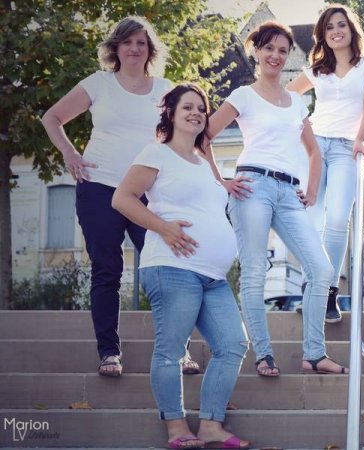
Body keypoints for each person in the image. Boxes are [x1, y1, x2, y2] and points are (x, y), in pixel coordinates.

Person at [41, 16, 199, 377]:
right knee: (107, 271)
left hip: (148, 193)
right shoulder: (98, 84)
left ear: (149, 50)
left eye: (141, 43)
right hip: (99, 189)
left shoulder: (165, 89)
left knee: (166, 271)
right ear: (116, 48)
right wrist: (70, 154)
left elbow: (184, 134)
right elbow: (52, 118)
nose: (134, 48)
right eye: (127, 42)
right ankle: (109, 353)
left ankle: (180, 351)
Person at [112, 83, 251, 450]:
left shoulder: (204, 160)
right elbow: (122, 198)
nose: (196, 113)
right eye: (187, 107)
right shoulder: (156, 153)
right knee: (171, 349)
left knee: (233, 343)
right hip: (172, 267)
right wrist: (163, 227)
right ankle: (176, 428)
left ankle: (210, 425)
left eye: (201, 109)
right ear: (170, 113)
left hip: (214, 276)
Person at [205, 21, 343, 378]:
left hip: (288, 191)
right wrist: (222, 181)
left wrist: (312, 190)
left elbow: (314, 152)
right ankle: (263, 354)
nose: (276, 56)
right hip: (251, 185)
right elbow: (202, 136)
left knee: (322, 269)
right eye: (269, 48)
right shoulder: (243, 95)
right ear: (257, 51)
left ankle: (314, 353)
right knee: (254, 271)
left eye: (282, 51)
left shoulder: (297, 102)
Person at [287, 3, 364, 323]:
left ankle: (328, 290)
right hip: (313, 146)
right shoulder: (317, 69)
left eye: (341, 25)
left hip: (346, 148)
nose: (336, 31)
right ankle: (311, 286)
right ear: (322, 35)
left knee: (338, 219)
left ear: (351, 28)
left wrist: (360, 138)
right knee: (309, 219)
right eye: (329, 28)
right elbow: (287, 96)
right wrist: (302, 128)